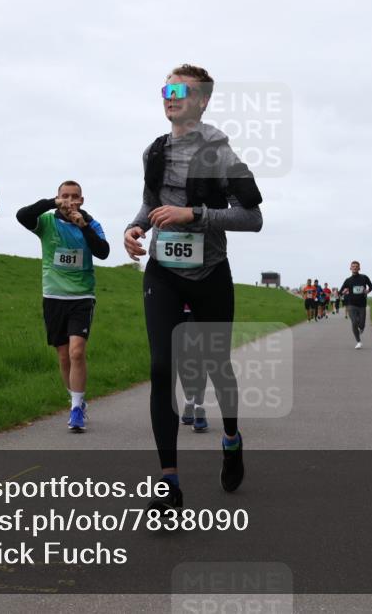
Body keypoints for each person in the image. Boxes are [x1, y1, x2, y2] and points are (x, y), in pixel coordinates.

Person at [123, 64, 263, 511]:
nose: (170, 95)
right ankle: (169, 482)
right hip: (163, 271)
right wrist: (135, 227)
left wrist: (195, 215)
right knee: (162, 367)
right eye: (166, 88)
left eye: (180, 90)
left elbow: (253, 218)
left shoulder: (225, 157)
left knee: (217, 366)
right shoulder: (154, 151)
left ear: (201, 100)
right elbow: (151, 202)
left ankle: (231, 437)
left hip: (210, 272)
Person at [17, 181, 109, 432]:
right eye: (64, 196)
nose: (70, 200)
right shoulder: (46, 221)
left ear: (82, 199)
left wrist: (84, 226)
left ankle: (76, 409)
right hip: (53, 297)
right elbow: (21, 215)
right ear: (58, 198)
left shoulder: (91, 224)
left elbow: (103, 252)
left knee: (76, 351)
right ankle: (75, 398)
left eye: (74, 196)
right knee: (62, 354)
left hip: (81, 297)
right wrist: (50, 203)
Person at [177, 303, 209, 432]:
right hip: (174, 305)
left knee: (198, 357)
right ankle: (189, 402)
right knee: (180, 357)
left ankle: (199, 407)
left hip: (198, 306)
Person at [339, 261, 372, 349]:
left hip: (362, 304)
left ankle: (361, 328)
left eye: (356, 266)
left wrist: (367, 291)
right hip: (351, 304)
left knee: (361, 324)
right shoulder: (348, 280)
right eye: (353, 266)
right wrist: (343, 292)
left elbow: (371, 286)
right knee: (354, 322)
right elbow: (340, 292)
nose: (354, 268)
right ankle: (358, 341)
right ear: (350, 268)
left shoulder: (364, 277)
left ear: (359, 268)